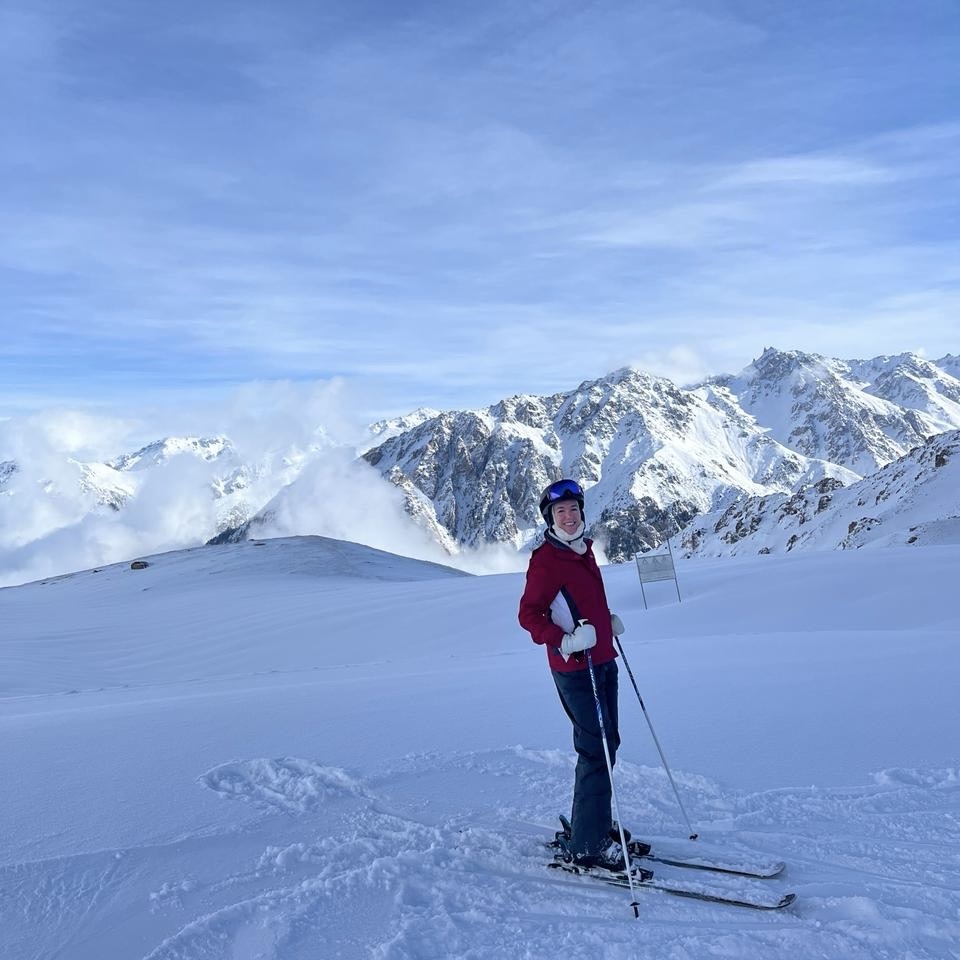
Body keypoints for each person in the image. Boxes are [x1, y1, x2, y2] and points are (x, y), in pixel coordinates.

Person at [518, 478, 628, 871]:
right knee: (595, 747)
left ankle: (592, 823)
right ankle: (587, 844)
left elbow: (579, 601)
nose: (568, 516)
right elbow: (529, 615)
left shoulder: (583, 550)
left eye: (574, 509)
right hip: (576, 670)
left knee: (607, 743)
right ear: (550, 517)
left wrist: (605, 619)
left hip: (603, 661)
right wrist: (563, 641)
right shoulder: (546, 559)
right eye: (560, 511)